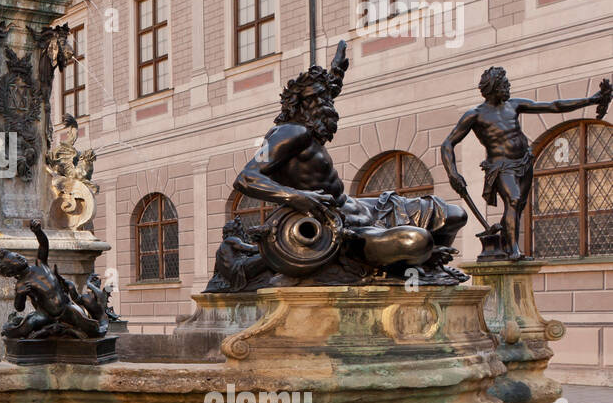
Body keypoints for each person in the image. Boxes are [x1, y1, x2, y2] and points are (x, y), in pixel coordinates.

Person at [234, 41, 467, 279]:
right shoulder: (290, 133)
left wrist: (337, 72)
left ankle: (429, 268)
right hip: (341, 228)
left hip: (367, 208)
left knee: (454, 214)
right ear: (300, 106)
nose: (327, 103)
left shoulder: (312, 124)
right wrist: (298, 197)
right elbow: (245, 178)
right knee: (418, 242)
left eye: (327, 97)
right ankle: (410, 269)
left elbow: (327, 94)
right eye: (319, 98)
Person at [441, 67, 611, 260]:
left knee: (518, 206)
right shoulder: (475, 115)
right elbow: (448, 143)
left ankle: (506, 246)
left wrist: (591, 100)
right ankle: (514, 250)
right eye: (504, 84)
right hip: (501, 166)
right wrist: (452, 173)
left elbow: (554, 106)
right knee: (512, 199)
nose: (508, 86)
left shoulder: (514, 105)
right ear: (494, 87)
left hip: (524, 162)